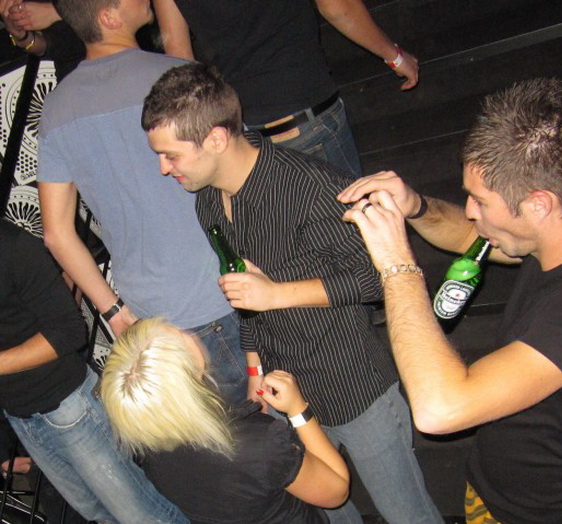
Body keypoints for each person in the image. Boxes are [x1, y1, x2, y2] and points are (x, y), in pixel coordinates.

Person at [338, 78, 562, 523]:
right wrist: (417, 207)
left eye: (480, 200)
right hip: (504, 486)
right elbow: (471, 236)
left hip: (556, 513)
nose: (470, 210)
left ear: (539, 204)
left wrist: (396, 265)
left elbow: (441, 409)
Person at [141, 62, 442, 524]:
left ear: (216, 139)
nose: (163, 169)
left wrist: (276, 294)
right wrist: (254, 368)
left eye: (171, 156)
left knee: (407, 515)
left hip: (353, 388)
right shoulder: (207, 200)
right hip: (286, 394)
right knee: (329, 514)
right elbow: (246, 297)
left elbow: (382, 277)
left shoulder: (311, 187)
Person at [36, 0, 249, 406]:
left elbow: (56, 233)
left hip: (149, 316)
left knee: (217, 436)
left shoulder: (56, 109)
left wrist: (113, 311)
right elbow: (247, 174)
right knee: (277, 429)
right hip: (227, 292)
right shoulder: (178, 78)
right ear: (109, 17)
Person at [0, 219, 187, 523]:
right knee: (98, 515)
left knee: (145, 517)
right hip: (20, 416)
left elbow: (69, 332)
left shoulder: (12, 246)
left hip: (69, 408)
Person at [101, 317, 350, 524]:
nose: (186, 330)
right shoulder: (260, 443)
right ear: (191, 373)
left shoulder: (146, 447)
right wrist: (297, 409)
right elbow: (336, 492)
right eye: (180, 335)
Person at [152, 0, 419, 177]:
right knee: (351, 230)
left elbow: (179, 55)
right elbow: (338, 7)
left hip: (245, 132)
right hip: (305, 112)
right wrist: (394, 56)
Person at [0, 0, 84, 82]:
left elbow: (91, 9)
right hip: (70, 72)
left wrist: (54, 11)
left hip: (90, 63)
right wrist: (22, 35)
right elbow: (47, 46)